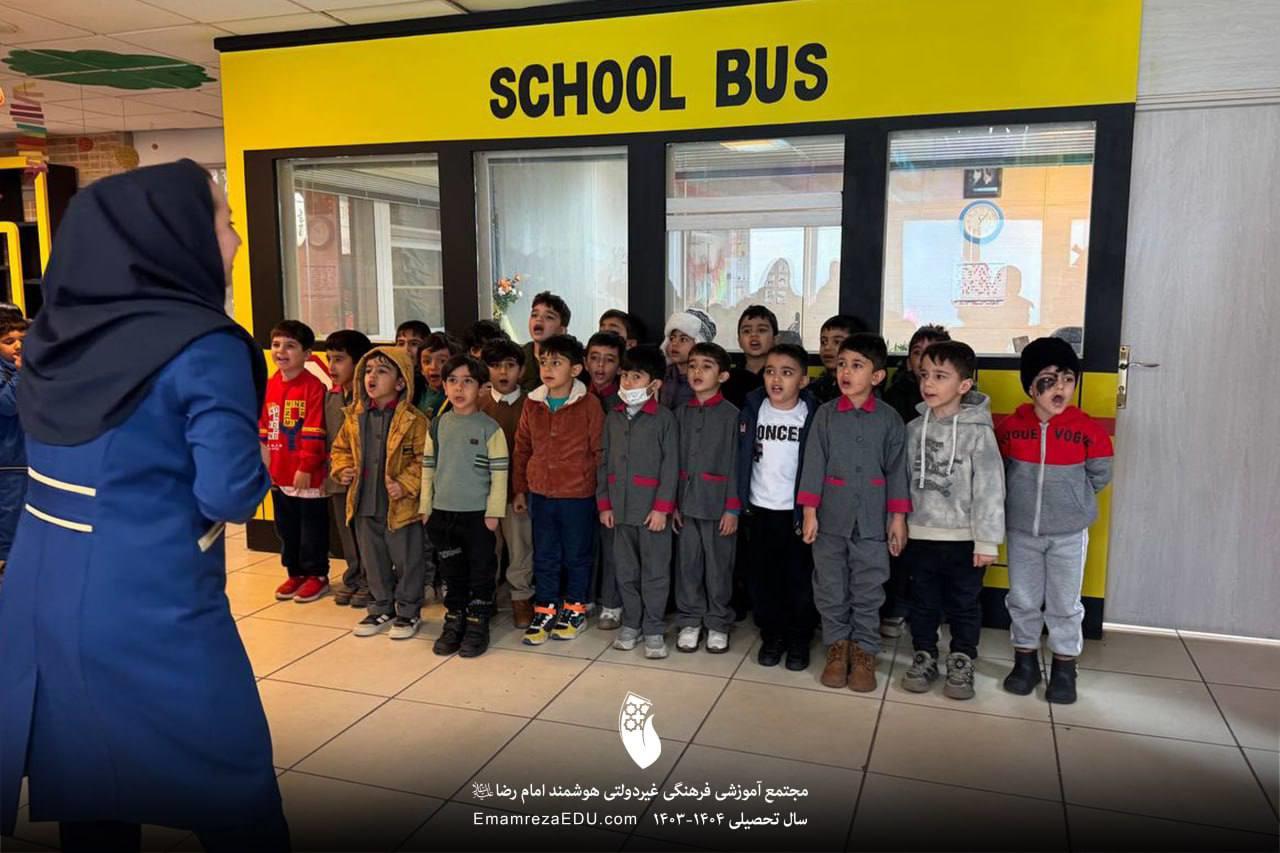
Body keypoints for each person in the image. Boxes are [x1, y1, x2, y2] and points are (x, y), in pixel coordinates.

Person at [0, 159, 288, 850]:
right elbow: (229, 492)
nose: (236, 240)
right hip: (148, 590)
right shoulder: (204, 343)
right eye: (223, 221)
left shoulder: (54, 334)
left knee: (89, 778)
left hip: (39, 586)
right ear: (173, 234)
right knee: (233, 780)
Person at [997, 336, 1113, 704]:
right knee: (1023, 598)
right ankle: (1025, 661)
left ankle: (1064, 666)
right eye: (1048, 380)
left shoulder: (1088, 429)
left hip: (1068, 534)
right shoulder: (1011, 428)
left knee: (1065, 602)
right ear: (1030, 386)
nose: (1060, 388)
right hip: (1021, 531)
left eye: (1067, 379)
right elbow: (999, 471)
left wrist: (1074, 501)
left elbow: (1100, 474)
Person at [799, 333, 910, 693]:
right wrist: (810, 511)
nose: (845, 372)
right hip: (830, 518)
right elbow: (813, 464)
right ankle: (837, 648)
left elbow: (898, 471)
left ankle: (864, 651)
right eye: (842, 364)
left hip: (873, 521)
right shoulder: (826, 415)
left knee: (868, 588)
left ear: (877, 376)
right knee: (830, 587)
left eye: (857, 366)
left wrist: (898, 518)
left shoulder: (890, 420)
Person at [898, 341, 1005, 701]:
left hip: (964, 539)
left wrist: (987, 540)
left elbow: (990, 488)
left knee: (964, 603)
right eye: (924, 375)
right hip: (920, 534)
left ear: (964, 385)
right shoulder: (913, 429)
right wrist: (899, 523)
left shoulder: (979, 432)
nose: (928, 383)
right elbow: (901, 482)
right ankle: (924, 654)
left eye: (940, 376)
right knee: (922, 601)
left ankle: (962, 658)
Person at [330, 346, 428, 640]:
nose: (372, 376)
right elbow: (340, 450)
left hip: (400, 505)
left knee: (408, 559)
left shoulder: (414, 420)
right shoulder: (354, 416)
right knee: (373, 558)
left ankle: (409, 610)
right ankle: (380, 606)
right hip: (364, 502)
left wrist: (406, 483)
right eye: (368, 370)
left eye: (382, 371)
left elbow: (425, 459)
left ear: (400, 382)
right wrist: (342, 469)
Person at [512, 334, 603, 644]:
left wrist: (602, 495)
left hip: (578, 495)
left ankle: (575, 608)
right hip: (540, 493)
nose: (548, 369)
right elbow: (522, 448)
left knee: (577, 555)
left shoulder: (589, 404)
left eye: (556, 362)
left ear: (575, 370)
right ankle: (546, 608)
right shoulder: (533, 403)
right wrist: (520, 489)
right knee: (545, 554)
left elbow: (600, 451)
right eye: (543, 362)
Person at [736, 343, 820, 670]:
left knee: (798, 580)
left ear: (803, 380)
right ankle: (772, 635)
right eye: (770, 371)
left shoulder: (812, 415)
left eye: (787, 373)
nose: (776, 379)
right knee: (763, 579)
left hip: (796, 513)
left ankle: (799, 638)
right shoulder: (753, 409)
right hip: (759, 509)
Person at [423, 355, 508, 658]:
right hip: (443, 514)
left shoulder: (490, 429)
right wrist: (426, 506)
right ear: (445, 386)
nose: (459, 388)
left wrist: (494, 512)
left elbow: (500, 473)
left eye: (468, 381)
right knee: (452, 571)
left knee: (481, 570)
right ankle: (455, 617)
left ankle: (478, 620)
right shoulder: (437, 426)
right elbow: (428, 467)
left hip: (477, 517)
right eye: (453, 381)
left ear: (482, 388)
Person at [598, 345, 678, 659]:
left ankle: (654, 627)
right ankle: (632, 622)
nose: (628, 383)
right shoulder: (613, 417)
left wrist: (662, 508)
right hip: (620, 512)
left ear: (654, 384)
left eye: (636, 377)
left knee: (655, 572)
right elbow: (603, 462)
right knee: (625, 571)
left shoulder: (665, 419)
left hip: (652, 513)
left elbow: (670, 466)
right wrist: (604, 504)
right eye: (625, 376)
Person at [877, 324, 950, 638]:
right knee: (898, 549)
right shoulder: (896, 395)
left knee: (934, 557)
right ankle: (895, 607)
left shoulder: (960, 403)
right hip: (900, 482)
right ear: (908, 361)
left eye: (933, 354)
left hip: (939, 491)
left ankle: (933, 614)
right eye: (918, 353)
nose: (924, 361)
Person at [673, 342, 740, 654]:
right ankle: (690, 619)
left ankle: (717, 621)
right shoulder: (679, 414)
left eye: (706, 366)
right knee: (688, 564)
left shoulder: (732, 416)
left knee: (718, 567)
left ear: (723, 376)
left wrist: (732, 508)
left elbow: (736, 464)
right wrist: (673, 503)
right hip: (686, 505)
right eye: (693, 365)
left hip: (718, 506)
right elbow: (672, 462)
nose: (697, 371)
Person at [262, 319, 331, 603]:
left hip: (307, 476)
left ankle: (317, 575)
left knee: (311, 529)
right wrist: (264, 465)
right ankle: (295, 572)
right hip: (279, 472)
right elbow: (264, 428)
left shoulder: (313, 387)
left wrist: (306, 467)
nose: (281, 351)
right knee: (286, 528)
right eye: (276, 344)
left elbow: (315, 430)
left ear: (307, 354)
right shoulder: (269, 385)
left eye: (290, 346)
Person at [479, 339, 534, 628]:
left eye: (510, 365)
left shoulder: (532, 405)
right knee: (488, 547)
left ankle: (521, 597)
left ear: (521, 370)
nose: (503, 372)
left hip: (517, 492)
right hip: (484, 492)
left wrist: (522, 488)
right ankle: (485, 596)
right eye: (496, 365)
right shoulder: (478, 404)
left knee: (521, 546)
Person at [323, 329, 373, 608]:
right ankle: (353, 575)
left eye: (339, 359)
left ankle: (370, 579)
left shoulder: (368, 399)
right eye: (329, 359)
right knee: (346, 532)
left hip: (364, 479)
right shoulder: (331, 397)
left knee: (366, 533)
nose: (332, 366)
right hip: (338, 477)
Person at [0, 308, 27, 573]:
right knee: (9, 513)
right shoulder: (10, 372)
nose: (18, 346)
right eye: (9, 341)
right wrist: (21, 374)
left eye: (23, 340)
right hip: (8, 461)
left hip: (29, 456)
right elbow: (7, 405)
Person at [882, 324, 950, 424]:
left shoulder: (958, 394)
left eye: (931, 352)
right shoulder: (895, 397)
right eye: (917, 352)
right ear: (909, 363)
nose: (924, 358)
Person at [660, 308, 716, 409]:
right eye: (672, 338)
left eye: (683, 339)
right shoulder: (663, 374)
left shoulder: (704, 380)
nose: (674, 343)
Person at [721, 305, 775, 408]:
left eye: (761, 330)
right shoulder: (727, 379)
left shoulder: (781, 377)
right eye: (746, 331)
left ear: (774, 339)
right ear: (739, 341)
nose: (754, 335)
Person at [810, 314, 868, 404]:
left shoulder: (862, 389)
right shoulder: (814, 388)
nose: (827, 347)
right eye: (823, 342)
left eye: (837, 342)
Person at [519, 291, 571, 391]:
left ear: (562, 330)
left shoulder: (571, 360)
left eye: (549, 317)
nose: (539, 319)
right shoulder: (518, 357)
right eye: (534, 315)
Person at [417, 331, 461, 419]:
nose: (433, 367)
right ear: (421, 369)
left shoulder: (460, 396)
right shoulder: (415, 392)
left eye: (442, 361)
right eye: (427, 362)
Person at [585, 330, 625, 406]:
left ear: (620, 368)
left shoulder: (625, 402)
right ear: (585, 363)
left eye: (609, 360)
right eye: (594, 358)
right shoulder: (576, 394)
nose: (601, 364)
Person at [395, 319, 431, 402]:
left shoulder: (428, 381)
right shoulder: (391, 374)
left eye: (414, 344)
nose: (406, 349)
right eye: (401, 344)